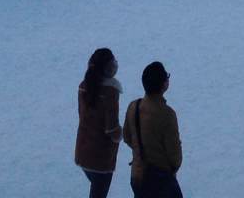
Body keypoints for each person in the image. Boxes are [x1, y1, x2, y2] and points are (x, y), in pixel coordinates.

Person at [123, 61, 183, 197]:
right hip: (161, 180)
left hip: (137, 175)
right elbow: (174, 154)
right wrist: (172, 168)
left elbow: (127, 136)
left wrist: (140, 151)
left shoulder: (134, 106)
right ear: (164, 84)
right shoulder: (167, 114)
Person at [74, 46, 122, 198]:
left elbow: (83, 116)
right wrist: (126, 134)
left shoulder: (84, 86)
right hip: (101, 158)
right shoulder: (110, 92)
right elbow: (111, 129)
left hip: (83, 153)